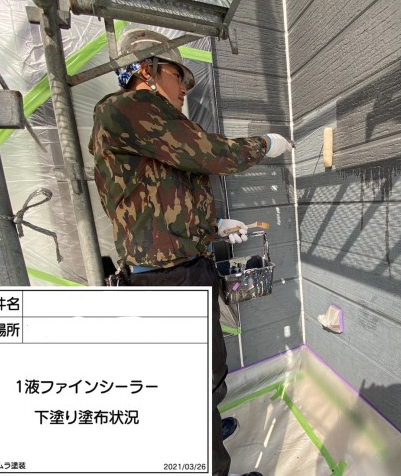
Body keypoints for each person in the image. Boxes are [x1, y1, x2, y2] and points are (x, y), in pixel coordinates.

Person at [88, 28, 292, 476]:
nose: (185, 89)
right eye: (179, 76)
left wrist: (210, 227)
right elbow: (209, 154)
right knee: (190, 383)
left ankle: (205, 432)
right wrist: (264, 144)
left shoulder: (149, 127)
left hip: (179, 269)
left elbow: (161, 194)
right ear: (148, 69)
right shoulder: (126, 108)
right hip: (166, 278)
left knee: (205, 374)